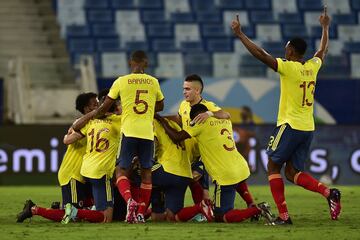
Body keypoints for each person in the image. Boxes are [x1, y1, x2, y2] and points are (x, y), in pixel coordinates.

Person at [231, 6, 341, 225]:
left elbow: (261, 55)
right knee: (291, 172)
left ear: (291, 52)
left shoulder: (288, 68)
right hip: (307, 128)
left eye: (286, 48)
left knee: (272, 167)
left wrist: (240, 35)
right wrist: (325, 27)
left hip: (289, 125)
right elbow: (322, 51)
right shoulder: (312, 66)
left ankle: (284, 216)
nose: (284, 51)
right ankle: (329, 193)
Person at [73, 50, 164, 223]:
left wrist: (96, 116)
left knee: (121, 170)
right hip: (147, 133)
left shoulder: (121, 81)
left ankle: (129, 201)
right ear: (146, 63)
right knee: (146, 173)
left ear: (131, 63)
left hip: (129, 132)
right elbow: (160, 106)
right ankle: (140, 212)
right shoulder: (153, 82)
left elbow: (104, 106)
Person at [155, 104, 274, 223]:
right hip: (240, 166)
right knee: (237, 181)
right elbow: (226, 114)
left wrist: (162, 120)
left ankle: (258, 209)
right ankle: (251, 205)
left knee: (221, 216)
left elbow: (177, 137)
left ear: (195, 118)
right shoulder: (224, 121)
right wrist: (211, 114)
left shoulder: (199, 124)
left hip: (225, 174)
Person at [16, 92, 99, 223]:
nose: (99, 106)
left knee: (87, 208)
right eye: (95, 104)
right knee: (74, 214)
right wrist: (69, 135)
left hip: (84, 175)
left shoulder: (92, 123)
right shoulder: (84, 124)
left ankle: (57, 207)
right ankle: (34, 209)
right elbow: (67, 140)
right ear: (86, 109)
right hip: (73, 173)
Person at [61, 89, 122, 223]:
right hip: (97, 171)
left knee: (96, 206)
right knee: (106, 217)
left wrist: (69, 133)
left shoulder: (90, 122)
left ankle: (76, 210)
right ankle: (74, 211)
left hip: (86, 171)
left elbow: (70, 136)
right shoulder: (118, 121)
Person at [150, 118, 214, 222]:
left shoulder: (154, 123)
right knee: (172, 217)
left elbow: (151, 147)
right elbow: (203, 155)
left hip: (166, 170)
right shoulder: (189, 137)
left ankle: (139, 212)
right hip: (183, 177)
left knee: (139, 174)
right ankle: (200, 207)